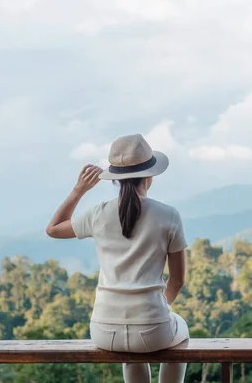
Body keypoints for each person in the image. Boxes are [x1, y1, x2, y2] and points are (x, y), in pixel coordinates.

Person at [46, 134, 190, 383]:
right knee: (182, 333)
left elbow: (54, 228)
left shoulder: (98, 214)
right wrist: (158, 310)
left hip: (103, 330)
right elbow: (177, 281)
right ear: (150, 175)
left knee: (129, 350)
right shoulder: (168, 215)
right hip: (152, 328)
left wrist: (78, 190)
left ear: (116, 179)